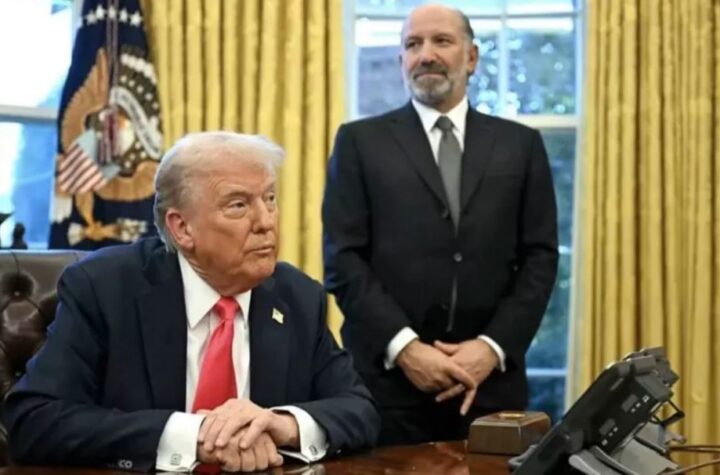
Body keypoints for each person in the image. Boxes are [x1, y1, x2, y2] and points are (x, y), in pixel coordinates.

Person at [5, 132, 380, 472]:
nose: (266, 221)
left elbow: (358, 408)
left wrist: (282, 424)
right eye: (238, 205)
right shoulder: (105, 289)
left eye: (269, 199)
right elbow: (34, 420)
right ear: (182, 227)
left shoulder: (297, 296)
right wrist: (192, 436)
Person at [322, 3, 558, 445]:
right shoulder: (359, 143)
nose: (426, 55)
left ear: (472, 57)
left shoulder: (521, 145)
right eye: (413, 44)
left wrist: (489, 348)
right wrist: (407, 350)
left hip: (492, 390)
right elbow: (343, 260)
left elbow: (540, 260)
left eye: (441, 41)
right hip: (386, 389)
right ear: (401, 60)